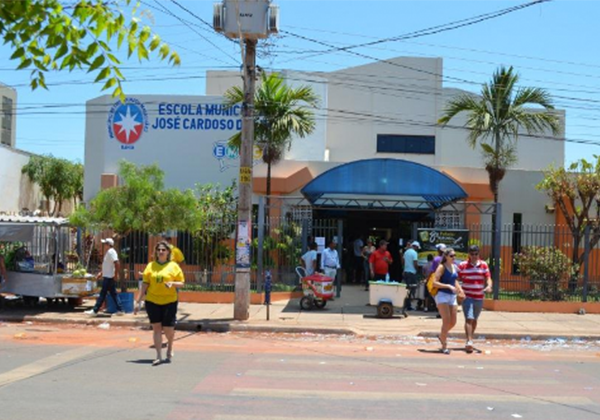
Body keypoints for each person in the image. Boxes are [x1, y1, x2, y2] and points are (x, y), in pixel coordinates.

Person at [135, 241, 185, 365]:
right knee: (156, 328)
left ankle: (170, 345)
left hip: (169, 301)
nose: (161, 252)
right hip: (152, 301)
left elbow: (182, 283)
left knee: (168, 329)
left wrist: (173, 283)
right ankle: (158, 355)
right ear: (156, 252)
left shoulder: (173, 266)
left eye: (163, 250)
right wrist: (138, 301)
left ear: (168, 252)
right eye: (159, 250)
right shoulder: (150, 266)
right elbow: (145, 284)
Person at [458, 245, 492, 353]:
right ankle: (469, 341)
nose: (474, 256)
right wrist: (459, 290)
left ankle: (470, 338)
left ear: (478, 254)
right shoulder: (463, 265)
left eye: (476, 254)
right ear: (469, 254)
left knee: (474, 319)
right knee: (469, 318)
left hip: (479, 297)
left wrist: (489, 286)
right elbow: (456, 279)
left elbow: (488, 278)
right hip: (467, 296)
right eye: (472, 254)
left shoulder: (483, 264)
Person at [432, 247, 465, 354]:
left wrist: (460, 289)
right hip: (442, 295)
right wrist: (448, 286)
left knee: (453, 321)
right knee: (446, 320)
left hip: (452, 296)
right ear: (446, 256)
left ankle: (442, 335)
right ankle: (444, 345)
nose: (453, 257)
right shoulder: (442, 267)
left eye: (455, 255)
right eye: (451, 256)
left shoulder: (454, 266)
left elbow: (454, 280)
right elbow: (434, 283)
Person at [85, 238, 124, 317]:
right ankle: (120, 310)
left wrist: (115, 275)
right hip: (108, 276)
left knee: (103, 294)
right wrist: (101, 273)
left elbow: (117, 263)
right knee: (113, 294)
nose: (104, 245)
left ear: (108, 244)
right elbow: (107, 266)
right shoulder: (109, 252)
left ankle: (95, 310)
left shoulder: (111, 252)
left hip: (109, 277)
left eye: (105, 243)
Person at [402, 241, 420, 310]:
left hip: (406, 272)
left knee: (406, 289)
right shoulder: (414, 253)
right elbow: (415, 263)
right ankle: (409, 305)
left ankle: (406, 304)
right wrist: (417, 269)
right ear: (416, 247)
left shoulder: (406, 252)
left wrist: (405, 268)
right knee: (412, 289)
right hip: (412, 273)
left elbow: (403, 262)